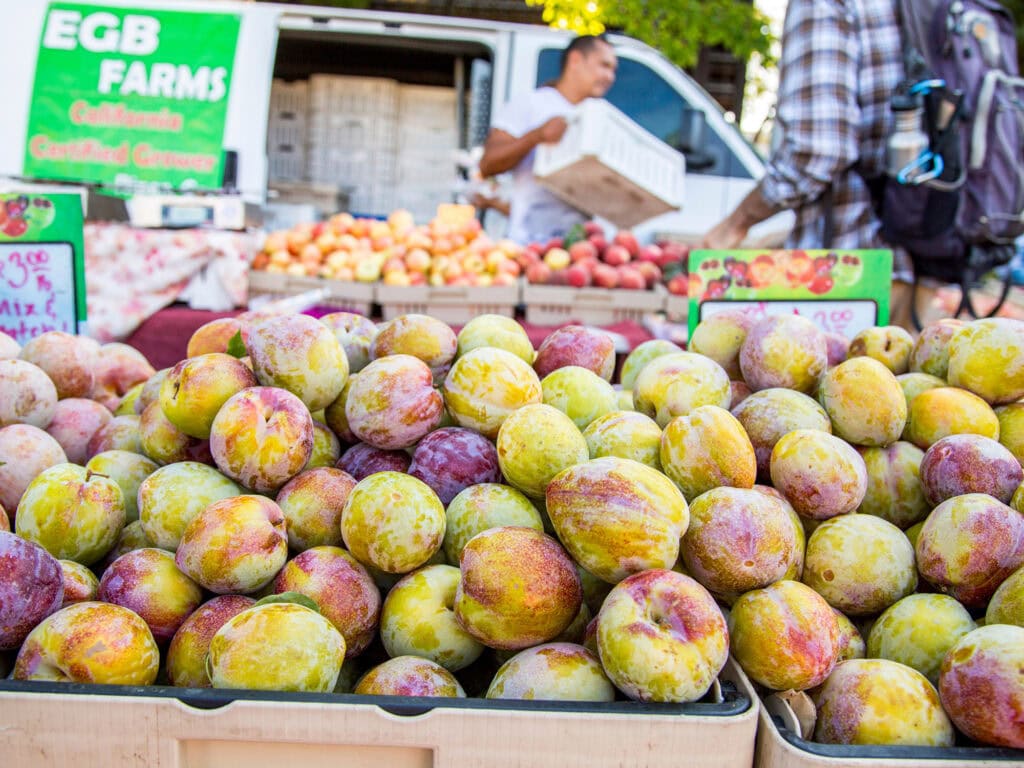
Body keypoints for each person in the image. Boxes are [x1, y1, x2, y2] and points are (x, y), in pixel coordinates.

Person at [701, 0, 904, 254]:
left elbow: (818, 152)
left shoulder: (823, 4)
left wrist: (734, 225)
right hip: (932, 256)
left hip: (856, 261)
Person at [478, 34, 617, 245]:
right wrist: (537, 136)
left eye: (613, 70)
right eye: (604, 65)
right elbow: (488, 164)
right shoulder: (531, 104)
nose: (610, 76)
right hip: (527, 244)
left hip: (580, 250)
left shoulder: (599, 120)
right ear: (576, 60)